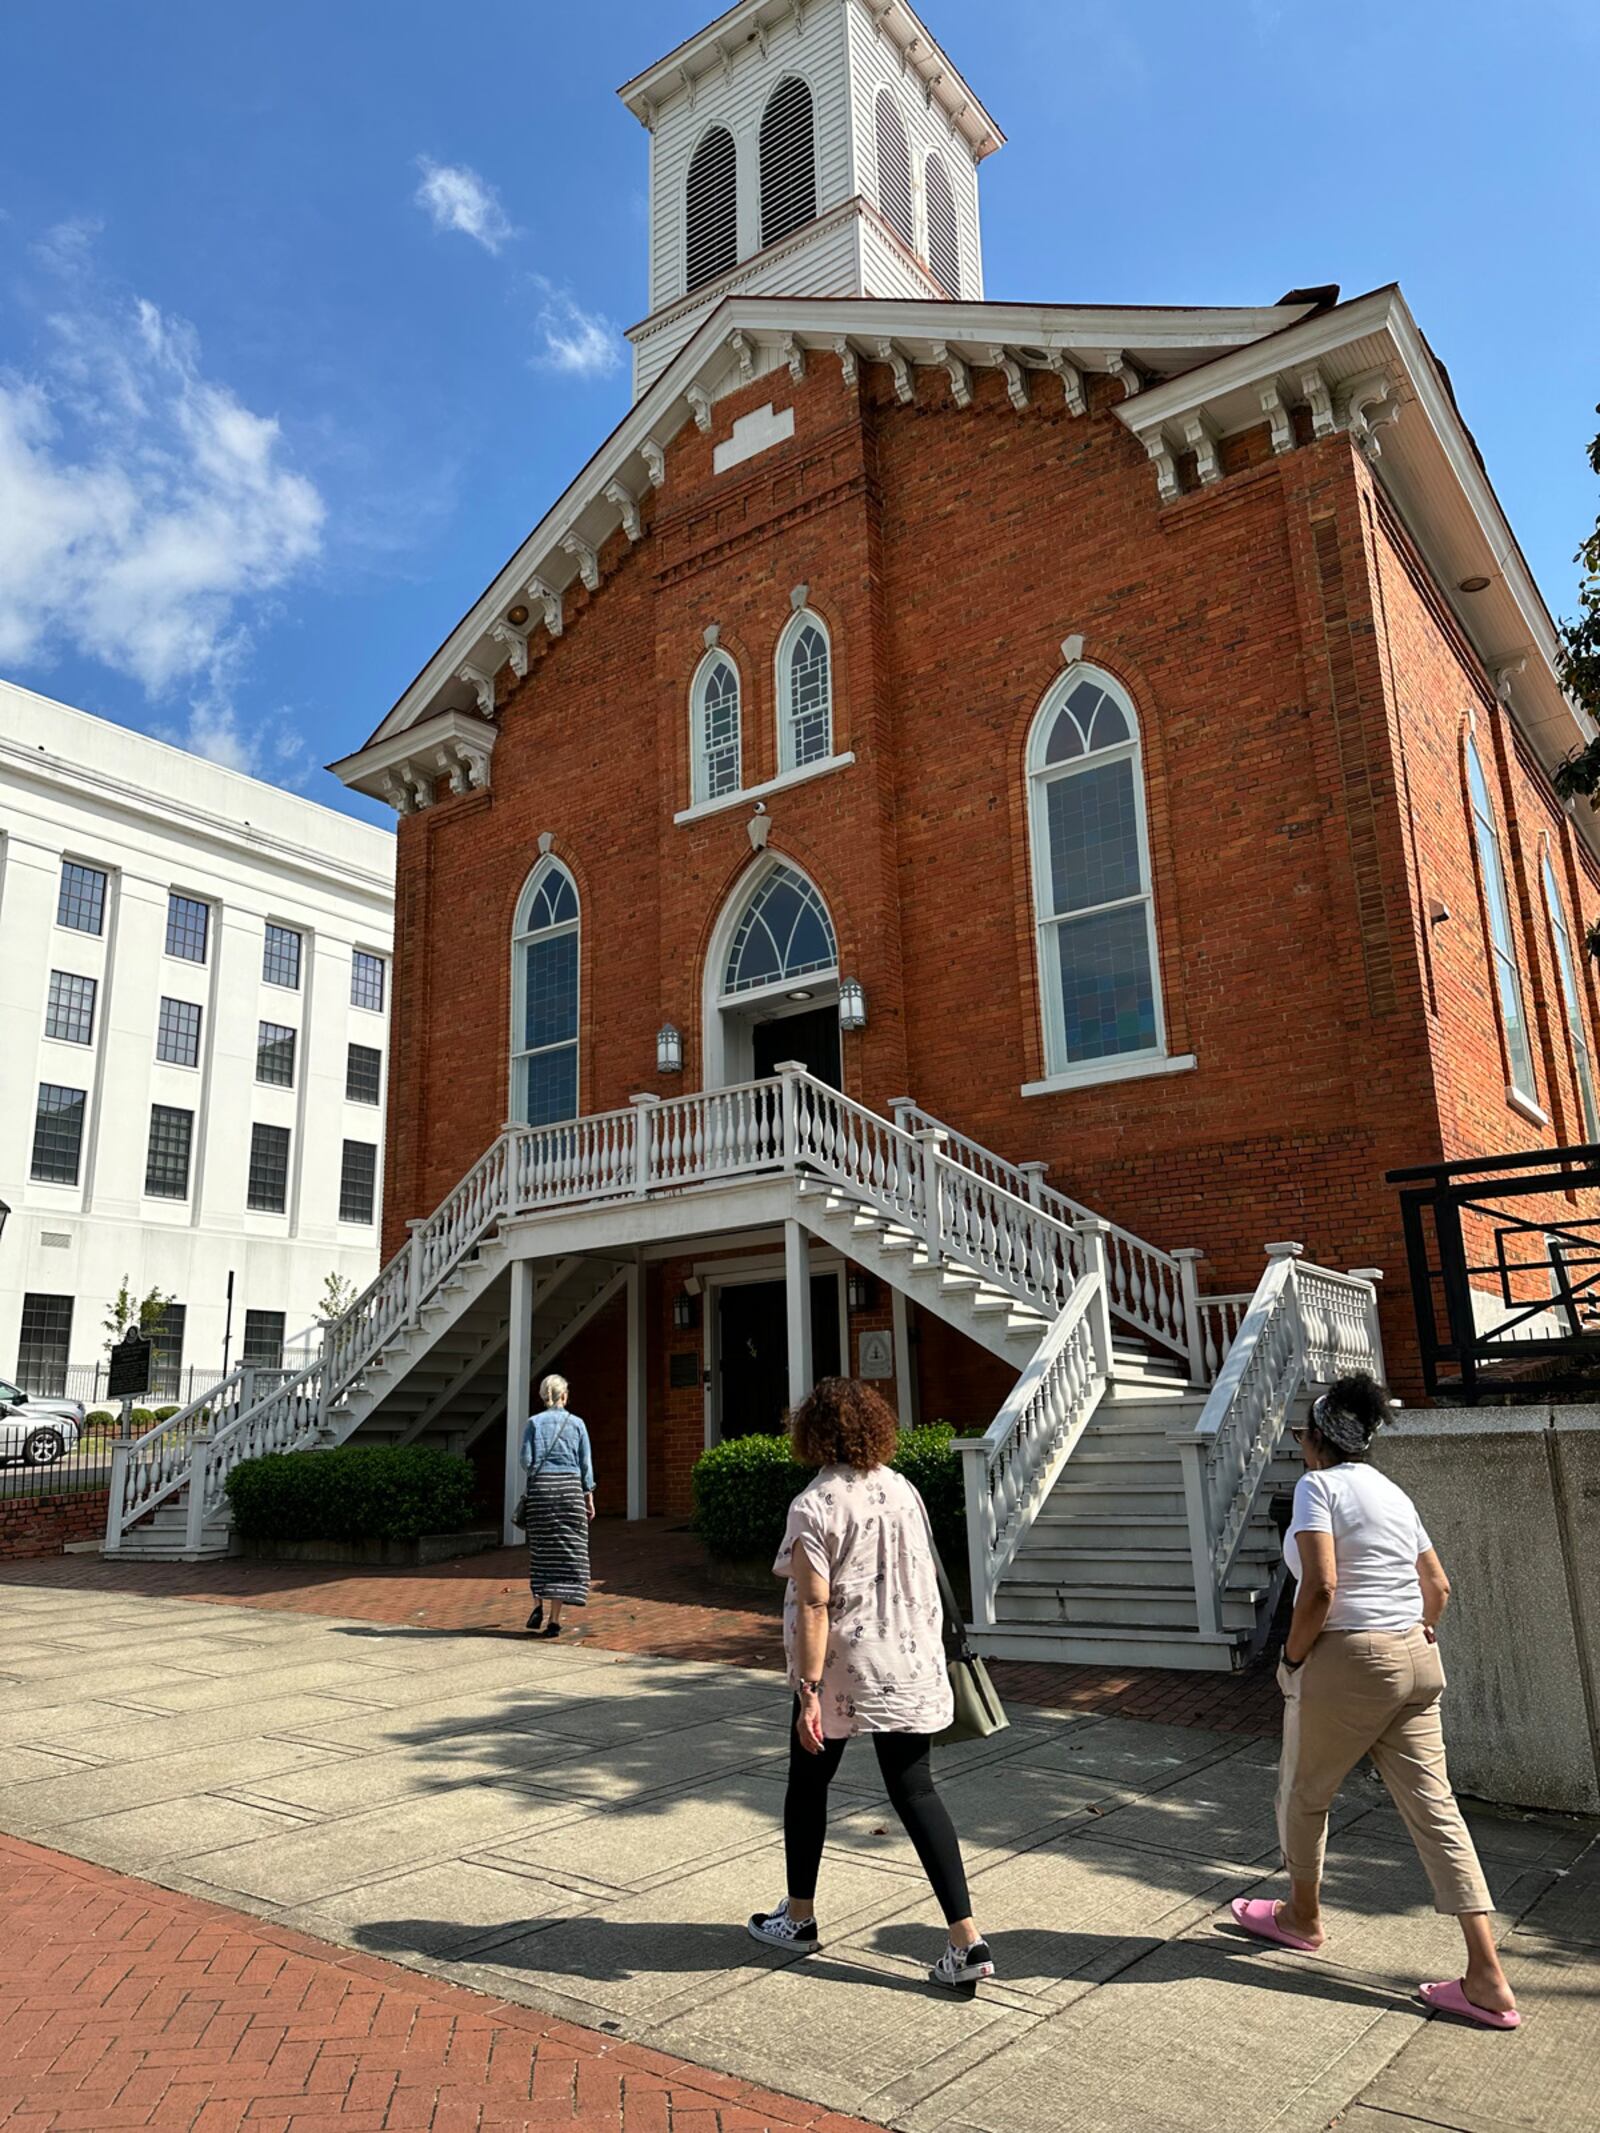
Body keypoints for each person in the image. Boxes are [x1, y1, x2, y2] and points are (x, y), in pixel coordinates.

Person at [1231, 1371, 1519, 2029]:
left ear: (1317, 1439)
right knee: (1435, 1810)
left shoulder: (1316, 1486)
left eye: (1304, 1432)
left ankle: (1301, 1916)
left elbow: (1322, 1588)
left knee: (1305, 1791)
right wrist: (1415, 1633)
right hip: (1417, 1659)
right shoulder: (1392, 1491)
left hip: (1349, 1657)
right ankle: (1486, 1975)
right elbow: (1438, 1586)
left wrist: (1293, 1657)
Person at [747, 1376, 995, 1991]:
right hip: (909, 1658)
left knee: (807, 1786)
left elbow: (813, 1605)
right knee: (916, 1792)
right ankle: (967, 1939)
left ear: (812, 1434)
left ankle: (799, 1918)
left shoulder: (815, 1504)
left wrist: (806, 1689)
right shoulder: (903, 1488)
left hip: (841, 1668)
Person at [520, 1372, 595, 1638]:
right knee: (566, 1553)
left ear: (543, 1396)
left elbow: (526, 1460)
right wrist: (589, 1495)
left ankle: (537, 1604)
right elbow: (585, 1464)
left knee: (541, 1551)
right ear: (564, 1396)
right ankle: (554, 1619)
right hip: (569, 1491)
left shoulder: (533, 1423)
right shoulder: (577, 1424)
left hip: (541, 1490)